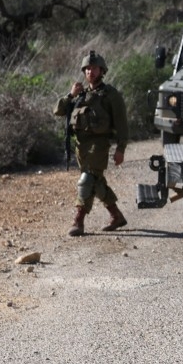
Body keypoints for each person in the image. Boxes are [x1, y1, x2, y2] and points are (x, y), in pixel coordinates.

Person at [53, 51, 130, 237]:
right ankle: (116, 215)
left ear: (102, 70)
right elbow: (58, 111)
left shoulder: (110, 94)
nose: (90, 72)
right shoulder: (80, 94)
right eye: (87, 69)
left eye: (94, 68)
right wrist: (70, 95)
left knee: (86, 180)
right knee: (96, 181)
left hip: (99, 144)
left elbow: (122, 124)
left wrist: (121, 149)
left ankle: (78, 221)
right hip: (81, 146)